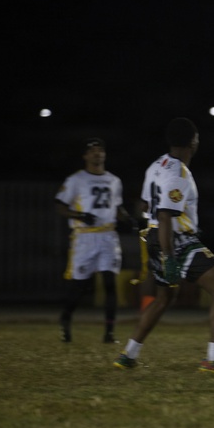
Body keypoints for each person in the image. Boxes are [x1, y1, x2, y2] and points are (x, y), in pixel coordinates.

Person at [114, 117, 214, 372]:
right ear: (194, 142)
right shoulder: (179, 173)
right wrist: (169, 256)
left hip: (155, 237)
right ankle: (213, 359)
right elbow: (166, 215)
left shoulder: (156, 165)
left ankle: (129, 354)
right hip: (176, 240)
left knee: (164, 298)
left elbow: (146, 206)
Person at [55, 138, 135, 343]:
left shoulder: (114, 180)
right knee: (79, 287)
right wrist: (80, 215)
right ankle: (65, 319)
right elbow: (60, 206)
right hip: (85, 237)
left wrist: (128, 219)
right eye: (92, 151)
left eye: (100, 150)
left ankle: (109, 333)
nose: (97, 154)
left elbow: (116, 207)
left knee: (110, 283)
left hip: (108, 237)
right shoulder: (76, 180)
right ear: (85, 156)